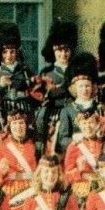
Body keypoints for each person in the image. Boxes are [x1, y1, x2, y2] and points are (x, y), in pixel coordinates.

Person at [35, 19, 77, 154]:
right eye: (59, 50)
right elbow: (40, 96)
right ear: (53, 50)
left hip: (73, 113)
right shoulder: (46, 72)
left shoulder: (76, 69)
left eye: (66, 50)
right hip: (53, 114)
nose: (63, 54)